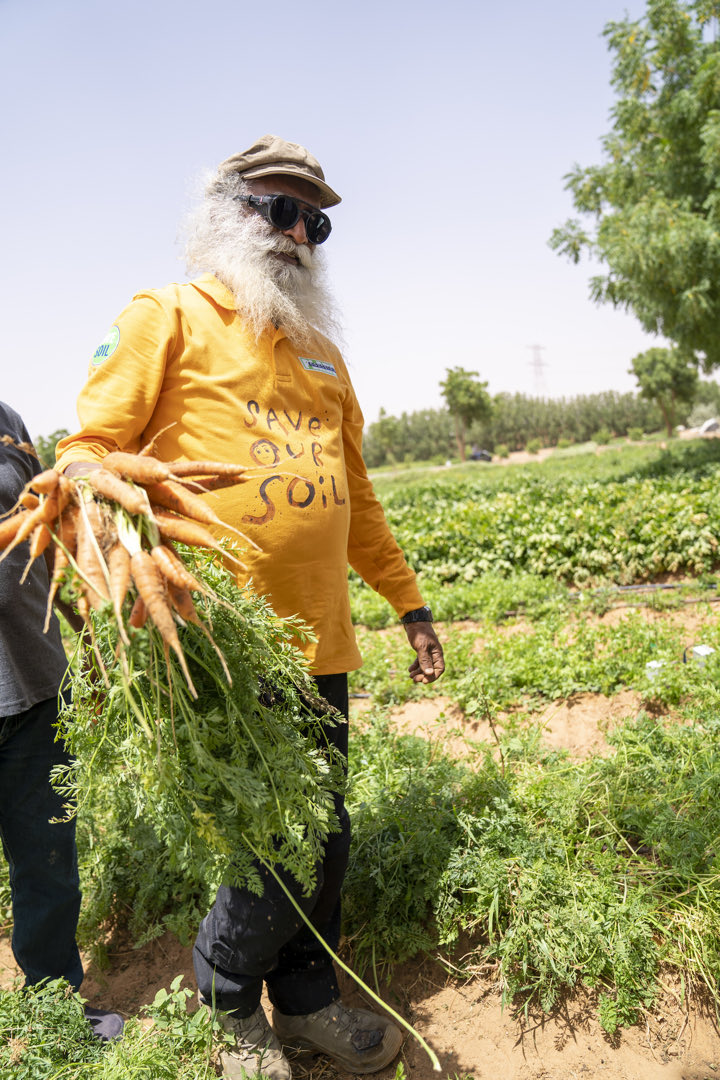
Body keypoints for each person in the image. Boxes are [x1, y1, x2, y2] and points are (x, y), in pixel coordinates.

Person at [55, 134, 445, 1079]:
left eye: (316, 221)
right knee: (265, 836)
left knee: (326, 832)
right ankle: (228, 999)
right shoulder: (167, 317)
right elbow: (91, 446)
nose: (300, 234)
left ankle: (308, 998)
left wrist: (410, 604)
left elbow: (356, 497)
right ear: (228, 212)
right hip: (222, 640)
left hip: (320, 641)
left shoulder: (323, 356)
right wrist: (96, 499)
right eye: (280, 210)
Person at [0, 401, 123, 1041]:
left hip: (36, 681)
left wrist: (89, 626)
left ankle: (54, 1011)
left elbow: (46, 534)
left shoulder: (8, 421)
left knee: (47, 861)